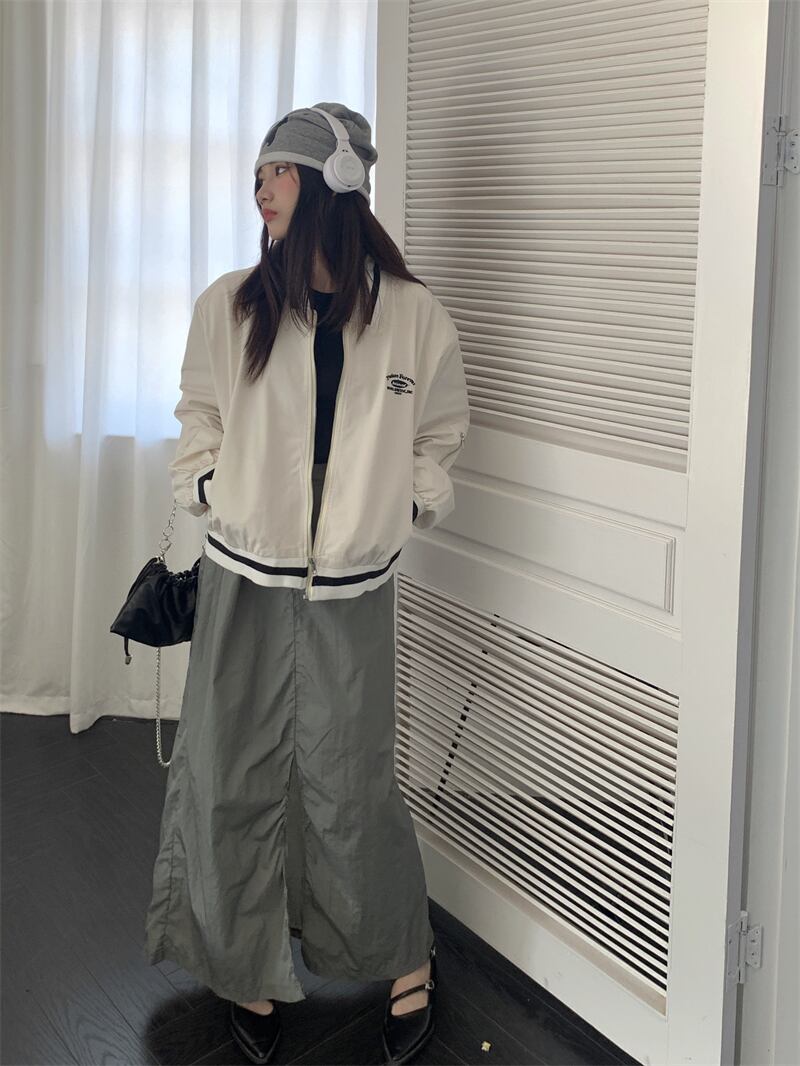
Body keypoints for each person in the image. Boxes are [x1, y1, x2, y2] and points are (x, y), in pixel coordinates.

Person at [142, 102, 470, 1065]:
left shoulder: (412, 316)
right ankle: (243, 965)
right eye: (256, 175)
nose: (260, 189)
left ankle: (404, 957)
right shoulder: (231, 304)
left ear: (332, 184)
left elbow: (439, 433)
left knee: (351, 780)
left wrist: (405, 505)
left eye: (276, 171)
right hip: (245, 568)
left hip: (354, 580)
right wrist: (213, 485)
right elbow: (198, 413)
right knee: (228, 770)